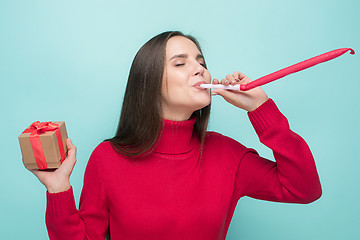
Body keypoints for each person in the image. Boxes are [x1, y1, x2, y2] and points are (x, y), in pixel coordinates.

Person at [30, 31, 322, 240]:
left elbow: (303, 189)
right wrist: (58, 189)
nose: (201, 70)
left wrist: (261, 109)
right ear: (149, 83)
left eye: (202, 62)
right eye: (181, 63)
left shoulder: (228, 155)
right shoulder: (107, 159)